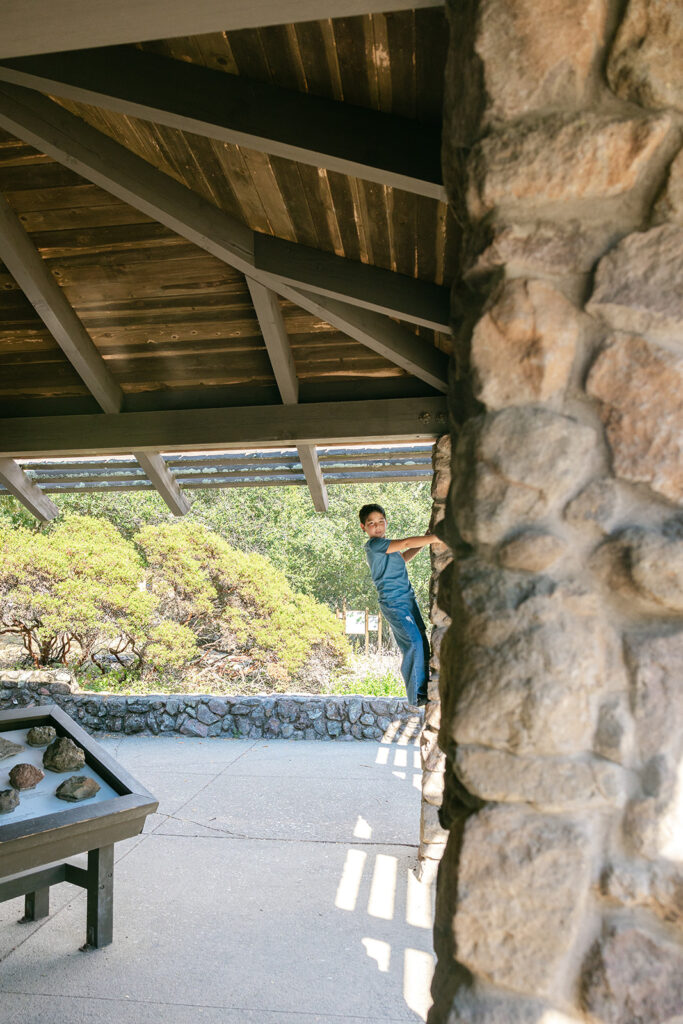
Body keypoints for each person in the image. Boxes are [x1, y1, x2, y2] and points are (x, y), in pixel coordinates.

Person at [359, 503, 438, 708]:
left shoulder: (387, 547)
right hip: (394, 603)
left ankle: (426, 685)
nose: (377, 527)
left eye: (380, 522)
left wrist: (425, 539)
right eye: (371, 524)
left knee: (421, 640)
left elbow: (404, 556)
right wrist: (437, 538)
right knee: (412, 642)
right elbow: (405, 543)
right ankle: (417, 695)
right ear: (363, 527)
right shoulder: (374, 546)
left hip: (408, 600)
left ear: (386, 522)